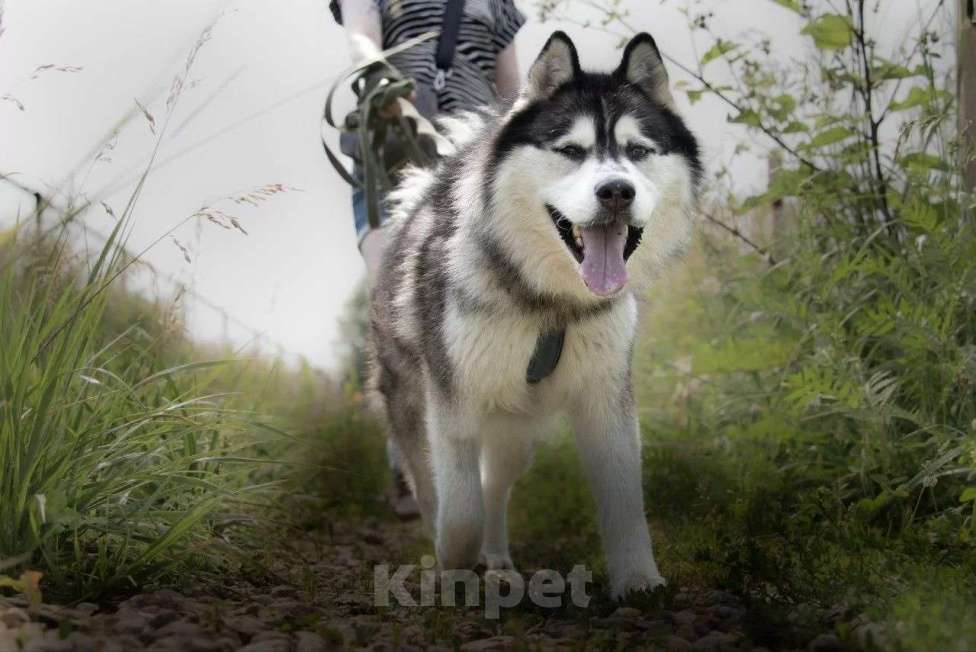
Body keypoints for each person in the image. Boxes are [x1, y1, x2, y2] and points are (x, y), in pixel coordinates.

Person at [330, 0, 525, 517]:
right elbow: (361, 37)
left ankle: (465, 468)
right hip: (391, 151)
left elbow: (512, 91)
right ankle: (410, 456)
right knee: (395, 307)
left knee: (473, 308)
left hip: (470, 163)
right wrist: (377, 73)